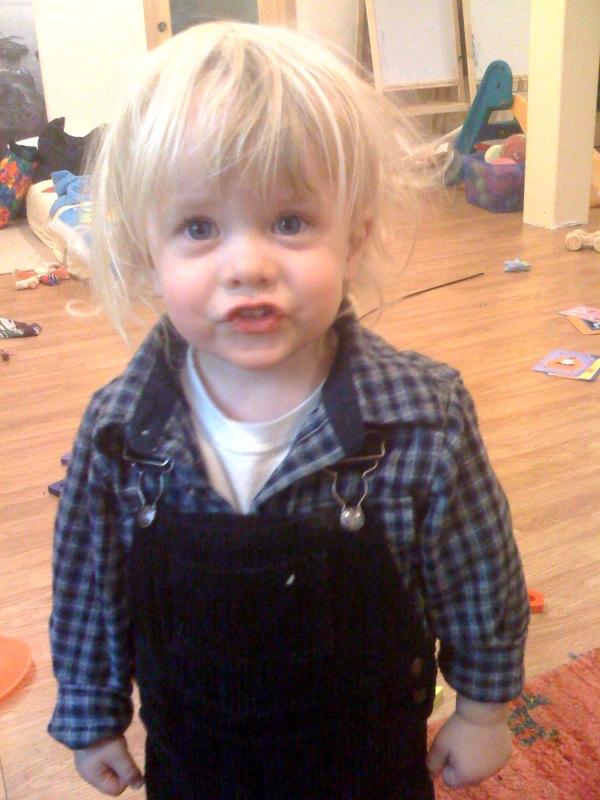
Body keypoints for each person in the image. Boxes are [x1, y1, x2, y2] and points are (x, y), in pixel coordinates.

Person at [48, 21, 530, 799]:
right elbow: (87, 589)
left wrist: (483, 709)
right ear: (147, 250)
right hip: (195, 761)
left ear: (354, 237)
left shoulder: (424, 416)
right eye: (199, 228)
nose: (248, 264)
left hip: (365, 762)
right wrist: (91, 714)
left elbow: (480, 577)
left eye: (289, 222)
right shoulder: (118, 431)